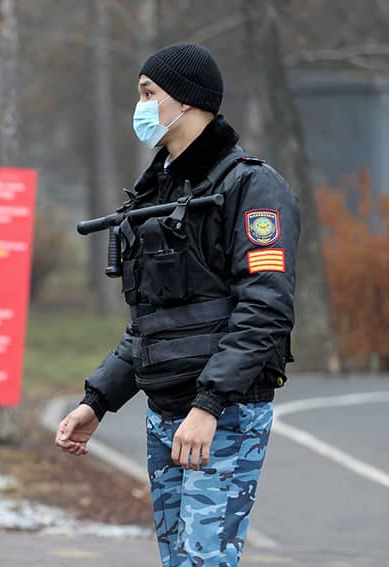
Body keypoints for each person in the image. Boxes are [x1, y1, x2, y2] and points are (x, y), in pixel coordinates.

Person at [55, 43, 299, 566]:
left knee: (204, 561)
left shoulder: (252, 188)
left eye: (149, 94)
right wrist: (97, 400)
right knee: (180, 561)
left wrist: (209, 406)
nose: (140, 107)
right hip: (167, 413)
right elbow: (150, 323)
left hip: (221, 415)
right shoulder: (155, 197)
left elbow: (266, 309)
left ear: (187, 102)